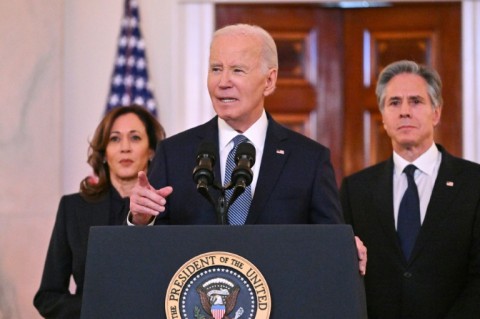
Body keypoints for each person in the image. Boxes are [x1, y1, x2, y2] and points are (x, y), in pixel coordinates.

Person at [128, 24, 367, 273]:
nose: (223, 82)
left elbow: (327, 245)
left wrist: (344, 247)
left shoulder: (309, 160)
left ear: (269, 80)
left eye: (237, 70)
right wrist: (140, 220)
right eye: (216, 69)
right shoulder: (173, 153)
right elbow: (146, 255)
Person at [340, 60, 480, 318]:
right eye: (394, 103)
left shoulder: (474, 183)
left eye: (415, 101)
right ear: (382, 116)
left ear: (435, 113)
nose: (404, 111)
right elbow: (343, 274)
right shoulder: (355, 189)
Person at [33, 105, 165, 318]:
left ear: (151, 151)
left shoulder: (169, 208)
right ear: (103, 153)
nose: (125, 147)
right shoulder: (73, 208)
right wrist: (98, 309)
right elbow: (47, 298)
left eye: (135, 138)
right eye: (114, 139)